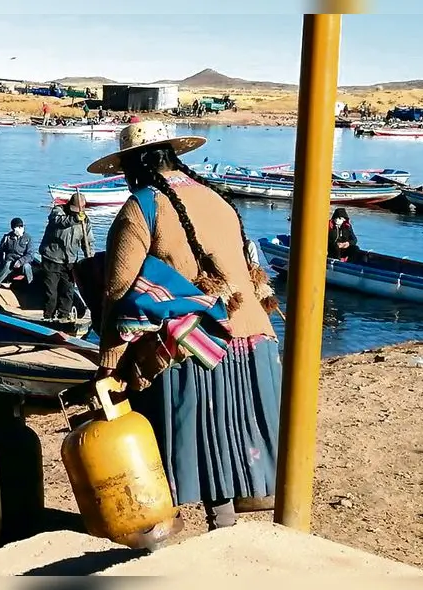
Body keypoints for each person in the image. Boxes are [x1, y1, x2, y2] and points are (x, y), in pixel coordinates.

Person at [85, 120, 282, 533]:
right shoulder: (217, 197)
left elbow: (118, 289)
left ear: (132, 166)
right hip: (254, 334)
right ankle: (232, 520)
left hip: (198, 342)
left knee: (199, 434)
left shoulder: (142, 206)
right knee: (234, 433)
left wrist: (110, 361)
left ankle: (195, 525)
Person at [38, 192, 93, 320]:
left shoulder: (85, 221)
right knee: (51, 293)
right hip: (51, 259)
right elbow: (59, 222)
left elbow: (88, 242)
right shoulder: (58, 212)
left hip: (69, 262)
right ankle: (48, 316)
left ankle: (64, 316)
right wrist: (75, 219)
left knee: (67, 292)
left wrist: (90, 258)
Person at [0, 217, 34, 288]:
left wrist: (20, 261)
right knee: (7, 264)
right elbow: (0, 251)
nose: (17, 230)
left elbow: (30, 254)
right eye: (15, 228)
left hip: (22, 263)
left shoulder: (28, 238)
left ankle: (30, 285)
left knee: (27, 267)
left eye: (20, 227)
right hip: (10, 263)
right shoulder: (7, 237)